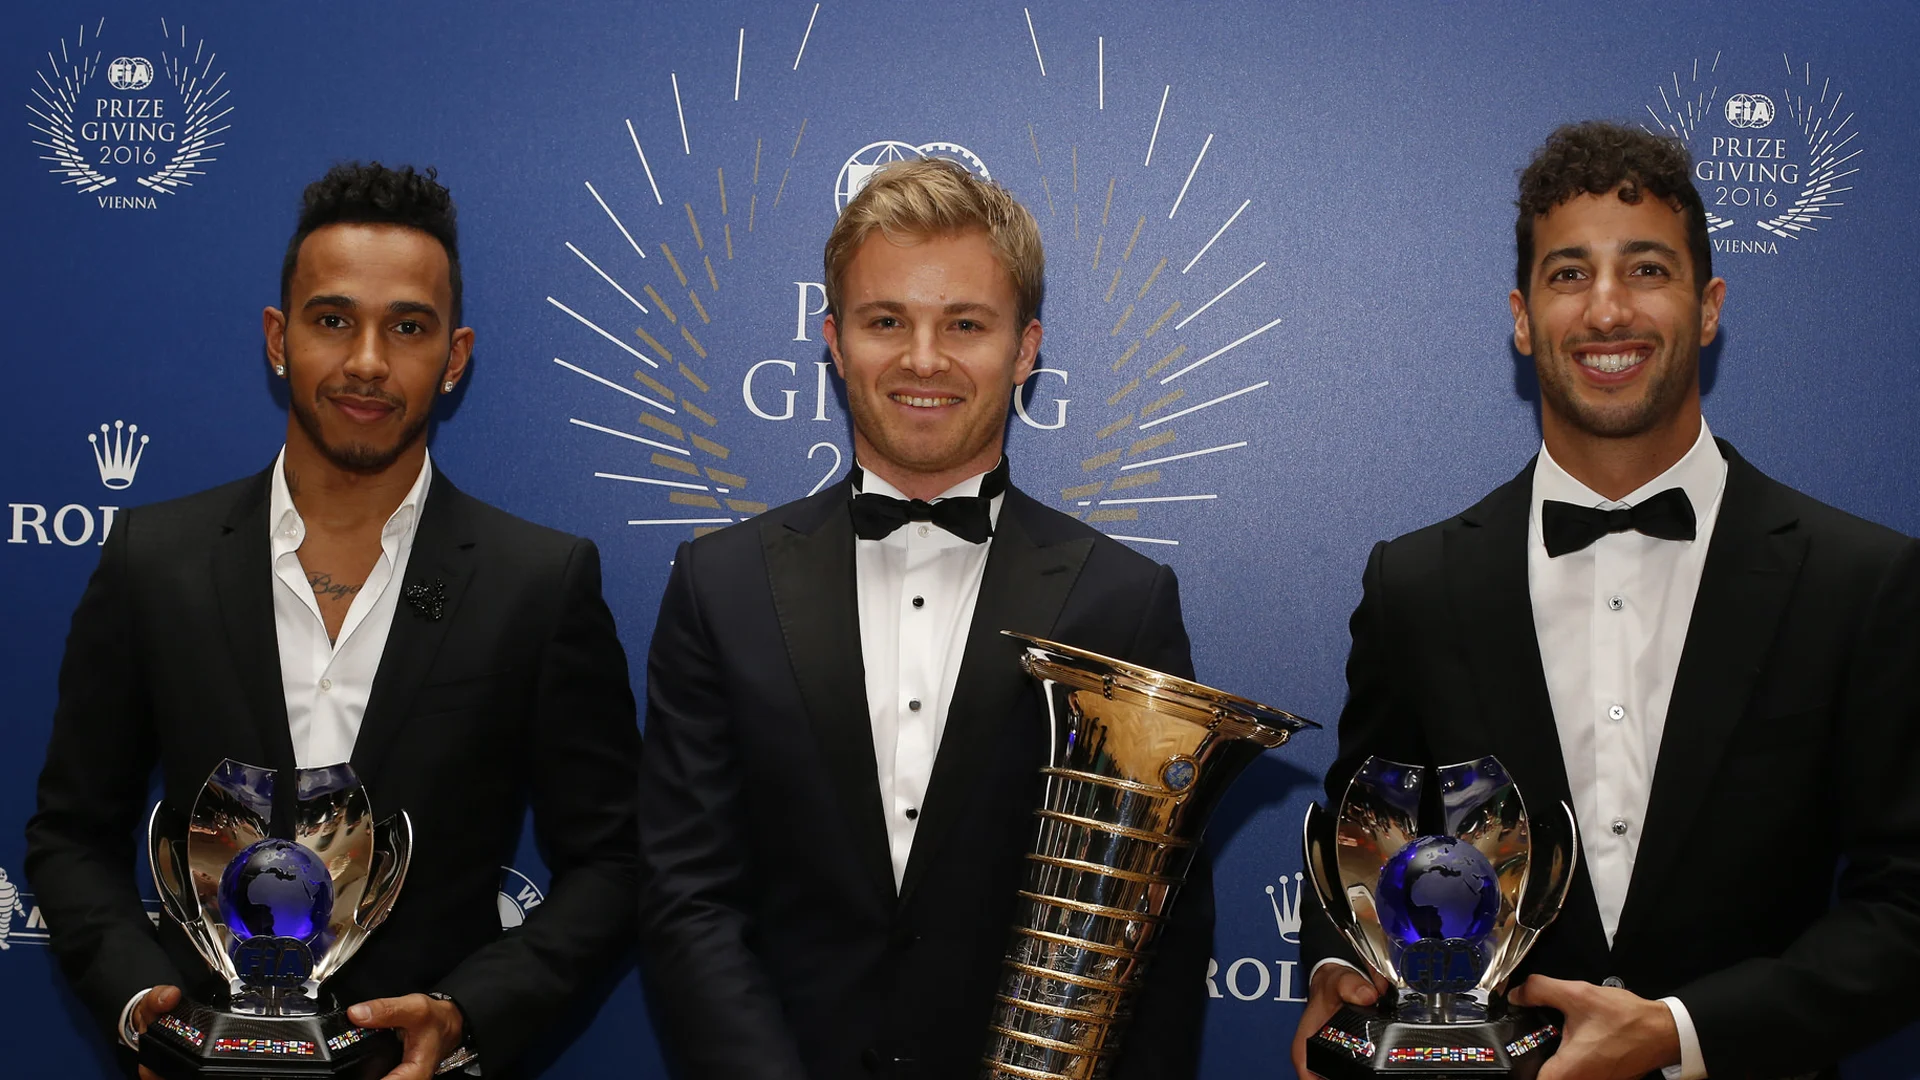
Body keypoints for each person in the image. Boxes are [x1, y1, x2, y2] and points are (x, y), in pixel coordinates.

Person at [1292, 120, 1920, 1080]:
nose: (1608, 308)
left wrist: (1682, 1030)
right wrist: (1344, 968)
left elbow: (1908, 902)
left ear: (1708, 308)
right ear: (1522, 317)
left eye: (1648, 270)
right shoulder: (1416, 585)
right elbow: (1366, 838)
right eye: (1570, 274)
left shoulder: (1858, 580)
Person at [25, 162, 642, 1080]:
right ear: (279, 339)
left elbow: (615, 862)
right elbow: (71, 832)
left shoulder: (537, 583)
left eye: (408, 327)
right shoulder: (154, 560)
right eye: (333, 320)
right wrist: (140, 1005)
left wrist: (464, 1016)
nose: (367, 362)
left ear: (455, 358)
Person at [636, 157, 1211, 1080]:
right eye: (886, 321)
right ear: (834, 341)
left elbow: (1149, 928)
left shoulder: (1123, 602)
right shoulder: (719, 585)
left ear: (1025, 350)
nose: (924, 359)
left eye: (966, 324)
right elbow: (686, 894)